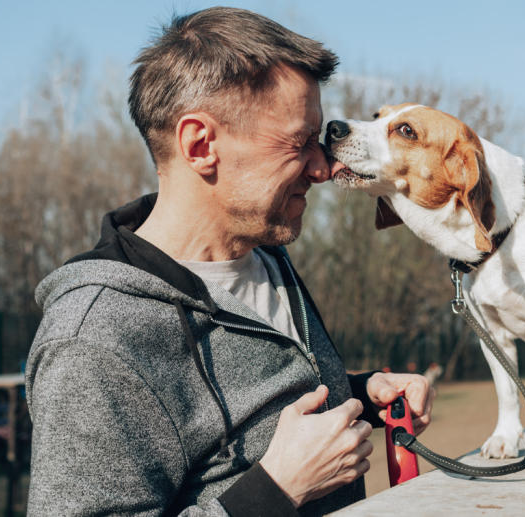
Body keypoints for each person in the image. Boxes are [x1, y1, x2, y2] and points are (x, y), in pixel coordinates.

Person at [24, 7, 435, 517]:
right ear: (200, 145)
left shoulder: (264, 253)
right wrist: (276, 490)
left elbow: (252, 419)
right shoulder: (93, 341)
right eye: (300, 142)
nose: (325, 168)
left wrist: (362, 394)